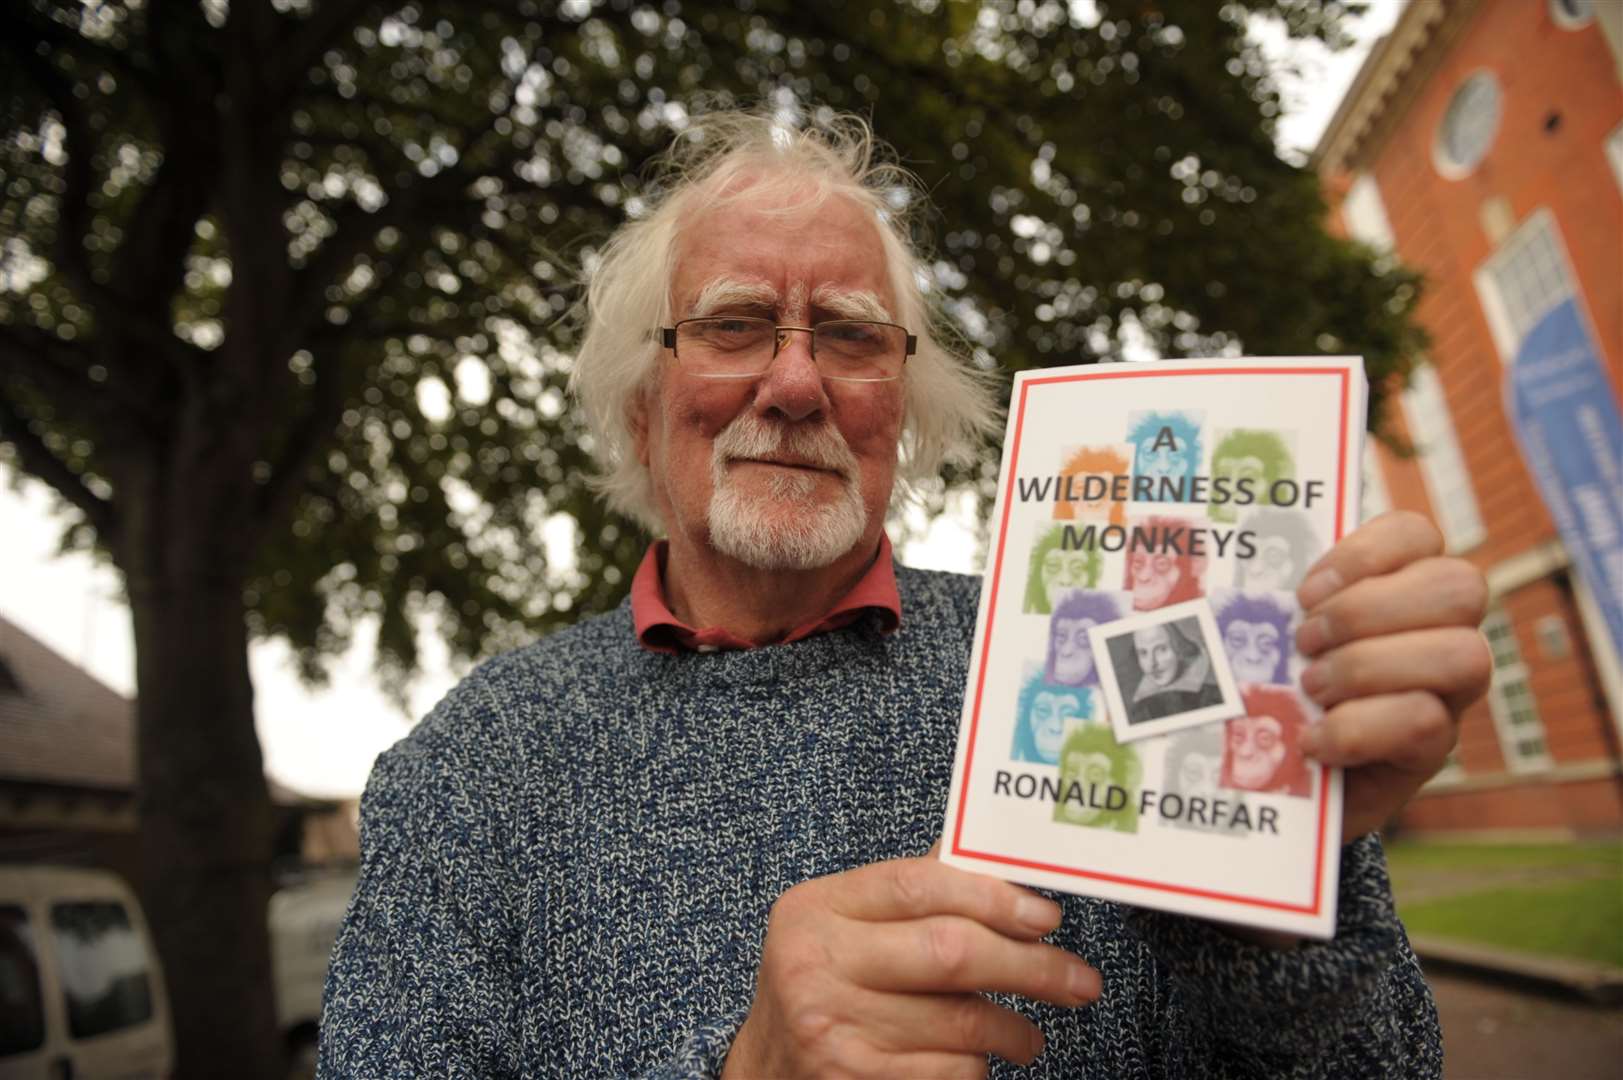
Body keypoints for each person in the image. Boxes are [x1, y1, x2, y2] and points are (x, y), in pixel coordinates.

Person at [320, 110, 1492, 1078]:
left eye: (850, 335)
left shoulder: (1076, 652)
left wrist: (1285, 865)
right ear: (643, 403)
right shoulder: (470, 767)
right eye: (735, 325)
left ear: (904, 412)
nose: (793, 380)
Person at [1124, 619, 1223, 723]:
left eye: (1161, 649)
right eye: (1143, 653)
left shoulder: (1213, 697)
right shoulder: (1139, 711)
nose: (1152, 663)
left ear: (1179, 649)